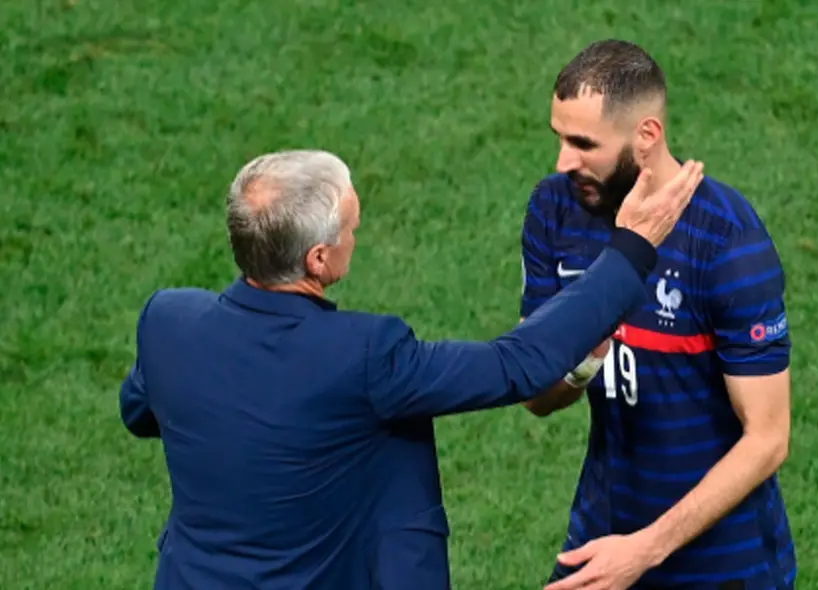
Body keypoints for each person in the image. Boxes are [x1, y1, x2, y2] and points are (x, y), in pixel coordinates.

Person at [118, 148, 704, 590]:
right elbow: (518, 365)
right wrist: (631, 249)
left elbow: (140, 412)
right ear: (318, 259)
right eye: (350, 226)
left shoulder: (167, 321)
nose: (357, 229)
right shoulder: (365, 356)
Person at [518, 40, 795, 590]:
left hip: (725, 565)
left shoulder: (725, 238)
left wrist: (645, 551)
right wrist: (579, 362)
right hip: (605, 532)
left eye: (582, 143)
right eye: (559, 138)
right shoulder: (555, 211)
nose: (563, 161)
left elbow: (768, 438)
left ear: (646, 136)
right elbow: (535, 392)